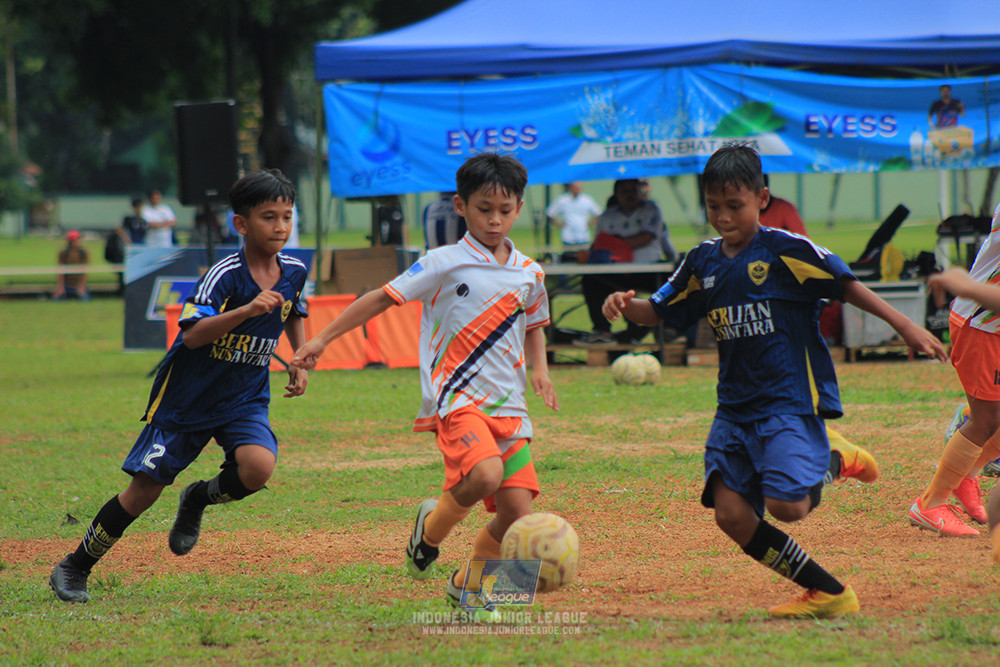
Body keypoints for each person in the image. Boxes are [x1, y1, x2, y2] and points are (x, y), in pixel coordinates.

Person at [601, 142, 947, 618]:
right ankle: (829, 593)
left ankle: (835, 456)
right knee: (732, 515)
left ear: (762, 199)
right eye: (714, 207)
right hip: (733, 409)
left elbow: (847, 286)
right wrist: (625, 305)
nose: (723, 217)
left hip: (788, 400)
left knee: (789, 507)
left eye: (735, 206)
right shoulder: (701, 261)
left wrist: (906, 326)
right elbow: (657, 309)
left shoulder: (785, 250)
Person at [290, 153, 558, 615]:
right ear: (460, 206)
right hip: (457, 397)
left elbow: (534, 323)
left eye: (505, 210)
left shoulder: (530, 272)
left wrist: (541, 371)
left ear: (519, 208)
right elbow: (380, 299)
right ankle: (430, 534)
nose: (495, 220)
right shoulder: (443, 262)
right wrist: (321, 338)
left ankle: (467, 588)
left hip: (509, 405)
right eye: (483, 209)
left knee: (517, 518)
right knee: (485, 474)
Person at [49, 169, 310, 603]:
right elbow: (191, 334)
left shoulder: (294, 270)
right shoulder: (225, 275)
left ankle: (197, 499)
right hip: (186, 401)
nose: (280, 226)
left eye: (286, 216)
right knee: (144, 492)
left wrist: (299, 358)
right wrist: (245, 311)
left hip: (244, 398)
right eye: (269, 217)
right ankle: (75, 566)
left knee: (258, 467)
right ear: (240, 224)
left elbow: (295, 310)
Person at [909, 241, 1000, 538]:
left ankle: (966, 474)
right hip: (983, 326)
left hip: (989, 321)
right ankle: (930, 504)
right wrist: (967, 287)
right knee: (987, 419)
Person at [578, 179, 676, 345]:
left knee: (674, 283)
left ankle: (668, 329)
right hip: (616, 272)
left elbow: (647, 236)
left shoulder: (651, 210)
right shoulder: (607, 216)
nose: (629, 194)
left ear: (641, 192)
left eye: (633, 190)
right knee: (591, 281)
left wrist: (615, 242)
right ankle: (602, 331)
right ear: (616, 194)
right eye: (624, 191)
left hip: (649, 271)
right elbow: (599, 245)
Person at [546, 181, 602, 251]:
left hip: (583, 236)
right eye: (575, 188)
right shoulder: (563, 200)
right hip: (568, 237)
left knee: (583, 258)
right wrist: (559, 225)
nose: (577, 190)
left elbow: (598, 213)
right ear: (570, 188)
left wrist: (590, 224)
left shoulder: (586, 200)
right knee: (569, 258)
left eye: (579, 188)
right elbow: (550, 213)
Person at [54, 230, 89, 301]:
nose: (77, 242)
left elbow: (84, 271)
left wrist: (81, 286)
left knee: (85, 299)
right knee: (56, 299)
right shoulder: (63, 253)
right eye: (75, 240)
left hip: (78, 286)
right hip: (66, 286)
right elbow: (60, 271)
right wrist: (61, 287)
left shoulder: (83, 253)